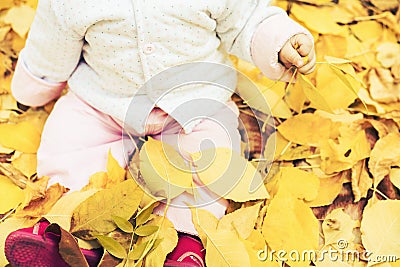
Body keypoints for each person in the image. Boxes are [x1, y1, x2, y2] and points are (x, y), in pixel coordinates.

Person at [4, 0, 316, 266]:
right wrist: (39, 79)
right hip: (105, 100)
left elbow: (246, 19)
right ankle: (69, 231)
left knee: (212, 154)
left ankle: (182, 241)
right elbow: (53, 38)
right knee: (68, 138)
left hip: (193, 103)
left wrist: (280, 41)